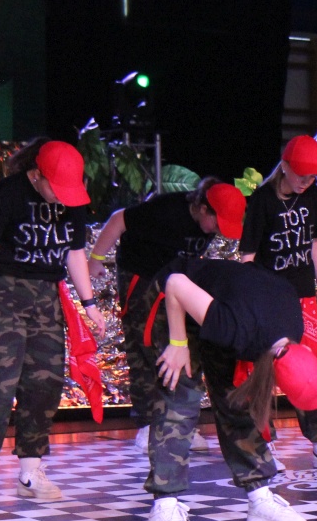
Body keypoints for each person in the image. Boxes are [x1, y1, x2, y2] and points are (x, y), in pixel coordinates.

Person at [0, 140, 106, 505]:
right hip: (4, 291)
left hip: (46, 295)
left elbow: (74, 253)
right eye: (56, 188)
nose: (62, 197)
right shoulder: (5, 197)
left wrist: (89, 303)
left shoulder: (71, 202)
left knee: (44, 382)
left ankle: (30, 470)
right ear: (37, 175)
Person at [155, 260, 317, 521]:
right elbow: (175, 283)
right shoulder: (238, 329)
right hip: (177, 300)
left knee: (237, 401)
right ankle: (163, 507)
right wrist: (178, 343)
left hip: (224, 308)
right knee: (179, 400)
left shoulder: (292, 329)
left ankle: (259, 499)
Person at [87, 178, 246, 456]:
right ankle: (148, 425)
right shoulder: (165, 211)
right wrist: (95, 259)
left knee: (180, 347)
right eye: (217, 223)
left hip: (175, 283)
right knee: (144, 346)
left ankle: (176, 422)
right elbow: (118, 220)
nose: (219, 231)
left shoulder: (206, 223)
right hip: (141, 277)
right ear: (203, 208)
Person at [240, 135, 317, 469]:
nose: (307, 181)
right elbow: (248, 256)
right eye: (301, 174)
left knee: (312, 371)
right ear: (285, 167)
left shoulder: (314, 196)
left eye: (312, 175)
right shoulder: (262, 200)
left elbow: (314, 246)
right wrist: (249, 301)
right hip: (269, 298)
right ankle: (263, 446)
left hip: (303, 296)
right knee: (263, 371)